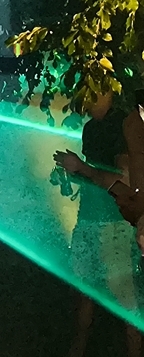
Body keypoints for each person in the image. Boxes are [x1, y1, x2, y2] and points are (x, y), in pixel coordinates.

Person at [56, 90, 140, 357]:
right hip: (88, 220)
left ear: (107, 92)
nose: (84, 99)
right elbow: (94, 175)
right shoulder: (91, 129)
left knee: (125, 300)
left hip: (113, 224)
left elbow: (125, 181)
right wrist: (72, 174)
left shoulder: (122, 125)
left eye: (91, 92)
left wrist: (81, 168)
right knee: (84, 290)